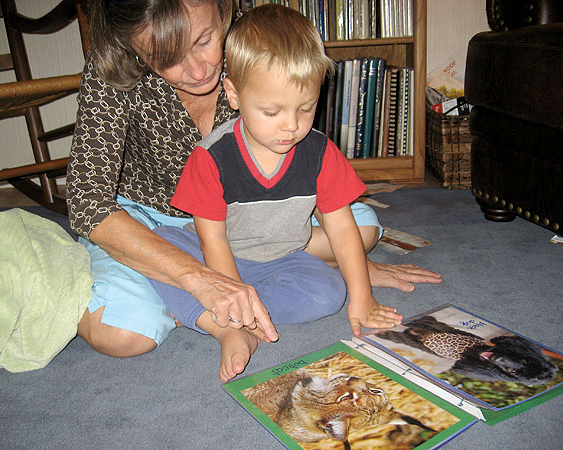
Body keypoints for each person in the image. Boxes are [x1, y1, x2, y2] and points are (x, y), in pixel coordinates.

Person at [66, 0, 442, 363]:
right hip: (155, 222)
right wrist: (201, 280)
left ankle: (209, 290)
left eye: (204, 40)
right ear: (134, 50)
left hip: (249, 216)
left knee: (362, 230)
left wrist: (354, 270)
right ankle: (199, 292)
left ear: (221, 9)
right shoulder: (112, 64)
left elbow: (323, 194)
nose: (197, 70)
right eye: (166, 58)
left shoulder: (254, 37)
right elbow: (88, 202)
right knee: (122, 334)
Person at [148, 4, 415, 382]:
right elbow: (213, 242)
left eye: (305, 109)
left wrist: (362, 295)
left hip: (283, 259)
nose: (291, 126)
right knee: (159, 244)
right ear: (234, 94)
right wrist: (233, 299)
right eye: (272, 111)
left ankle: (234, 319)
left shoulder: (321, 153)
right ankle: (227, 326)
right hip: (218, 263)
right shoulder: (210, 158)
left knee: (328, 293)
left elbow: (341, 230)